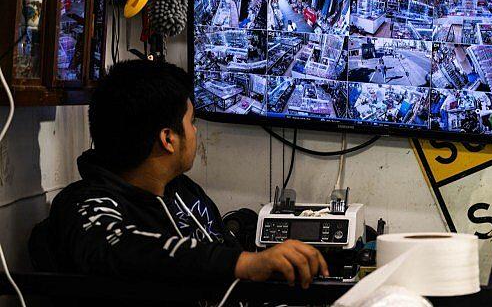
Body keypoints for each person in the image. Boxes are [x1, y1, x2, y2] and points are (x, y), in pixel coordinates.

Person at [38, 60, 328, 287]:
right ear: (168, 138)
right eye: (191, 122)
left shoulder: (183, 190)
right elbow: (120, 249)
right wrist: (243, 264)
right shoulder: (85, 204)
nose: (195, 131)